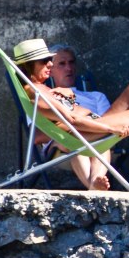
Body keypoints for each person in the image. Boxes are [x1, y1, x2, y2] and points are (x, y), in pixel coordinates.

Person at [10, 38, 129, 194]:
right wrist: (111, 128)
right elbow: (73, 119)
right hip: (81, 134)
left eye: (50, 60)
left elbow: (69, 115)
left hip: (88, 128)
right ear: (29, 65)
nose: (50, 64)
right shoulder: (38, 93)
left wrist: (68, 97)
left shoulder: (42, 90)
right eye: (44, 61)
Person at [46, 45, 115, 190]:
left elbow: (109, 124)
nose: (69, 68)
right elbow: (39, 135)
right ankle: (95, 185)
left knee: (100, 142)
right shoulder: (45, 98)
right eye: (62, 64)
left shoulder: (96, 97)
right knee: (76, 143)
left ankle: (94, 186)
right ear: (50, 70)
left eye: (71, 62)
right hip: (64, 145)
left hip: (98, 140)